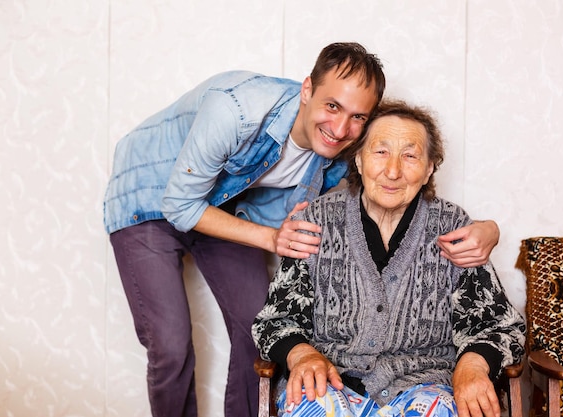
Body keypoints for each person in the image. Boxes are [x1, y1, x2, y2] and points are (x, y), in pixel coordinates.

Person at [103, 42, 500, 417]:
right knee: (170, 344)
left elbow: (375, 204)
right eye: (332, 105)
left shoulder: (346, 152)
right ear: (307, 89)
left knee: (252, 332)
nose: (341, 127)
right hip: (151, 201)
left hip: (226, 208)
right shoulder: (236, 109)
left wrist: (488, 229)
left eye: (358, 117)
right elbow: (180, 205)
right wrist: (272, 238)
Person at [252, 99, 525, 417]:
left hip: (424, 386)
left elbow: (501, 326)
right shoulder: (317, 221)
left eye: (410, 156)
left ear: (429, 169)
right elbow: (274, 322)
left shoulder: (453, 227)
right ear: (358, 159)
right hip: (329, 382)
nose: (393, 171)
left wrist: (474, 364)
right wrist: (300, 354)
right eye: (380, 152)